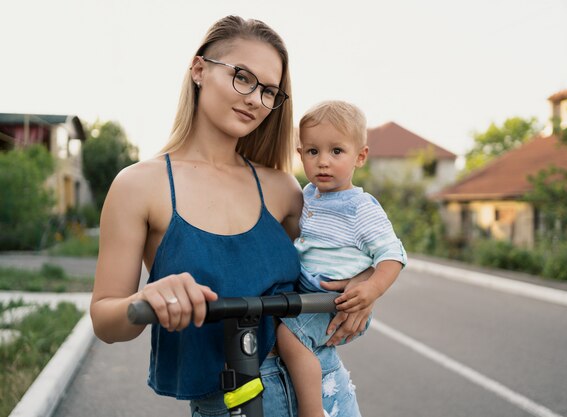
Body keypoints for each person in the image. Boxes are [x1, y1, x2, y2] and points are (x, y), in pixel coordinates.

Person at [90, 15, 367, 417]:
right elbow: (105, 318)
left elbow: (342, 251)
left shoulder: (284, 188)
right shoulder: (138, 186)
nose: (255, 98)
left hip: (325, 393)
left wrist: (364, 284)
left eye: (269, 90)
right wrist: (146, 297)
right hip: (229, 402)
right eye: (242, 77)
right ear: (199, 69)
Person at [276, 101, 407, 417]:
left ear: (360, 156)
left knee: (288, 336)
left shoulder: (360, 208)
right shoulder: (307, 195)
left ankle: (312, 410)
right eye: (312, 152)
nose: (323, 162)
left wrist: (371, 290)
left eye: (336, 151)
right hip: (310, 293)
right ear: (300, 153)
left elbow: (393, 254)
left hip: (337, 302)